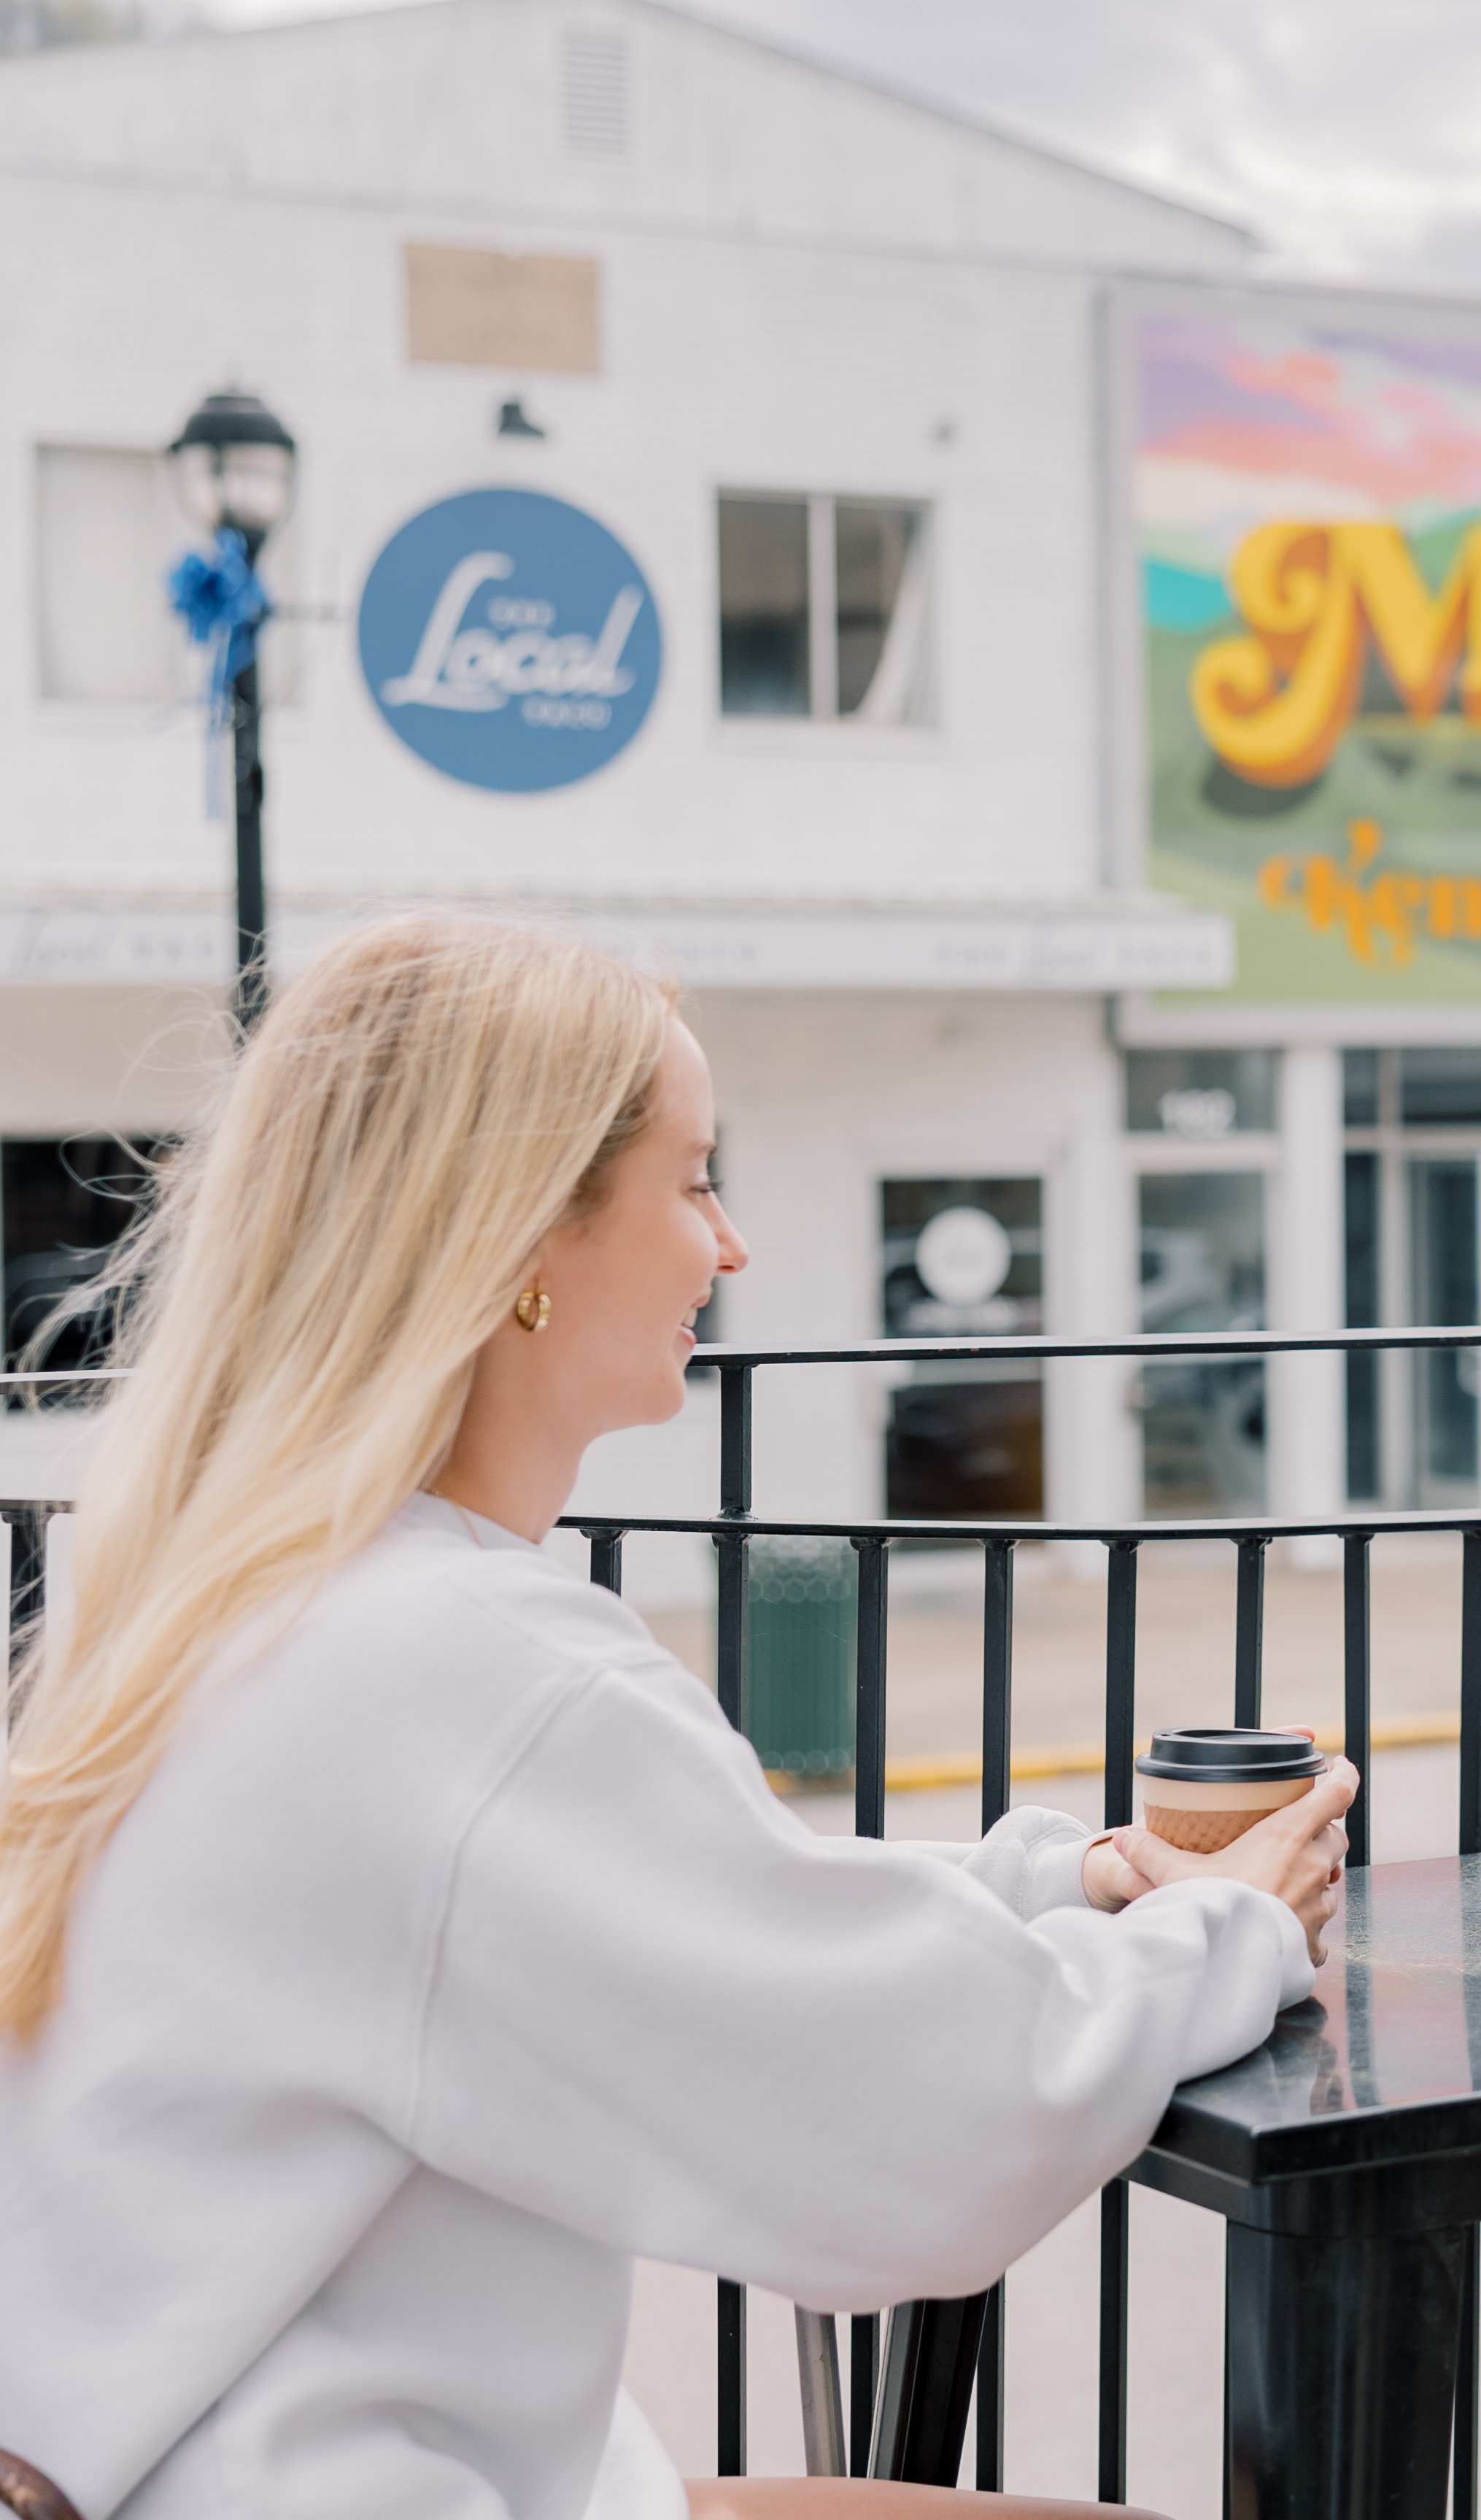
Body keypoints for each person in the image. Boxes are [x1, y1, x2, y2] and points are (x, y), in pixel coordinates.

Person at [0, 916, 1351, 2520]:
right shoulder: (460, 1668)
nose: (732, 1245)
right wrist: (1237, 1927)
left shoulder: (251, 1598)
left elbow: (723, 1945)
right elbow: (916, 2125)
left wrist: (1064, 1889)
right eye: (696, 1178)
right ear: (519, 1244)